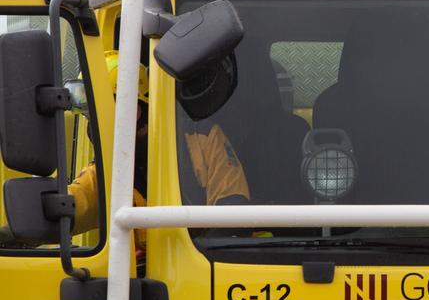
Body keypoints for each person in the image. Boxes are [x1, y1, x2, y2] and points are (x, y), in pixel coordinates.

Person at [0, 51, 250, 251]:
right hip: (144, 286)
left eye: (100, 112)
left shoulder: (202, 138)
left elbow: (232, 208)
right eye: (89, 114)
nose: (92, 123)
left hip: (204, 269)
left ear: (136, 108)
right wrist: (17, 232)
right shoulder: (108, 168)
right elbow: (70, 206)